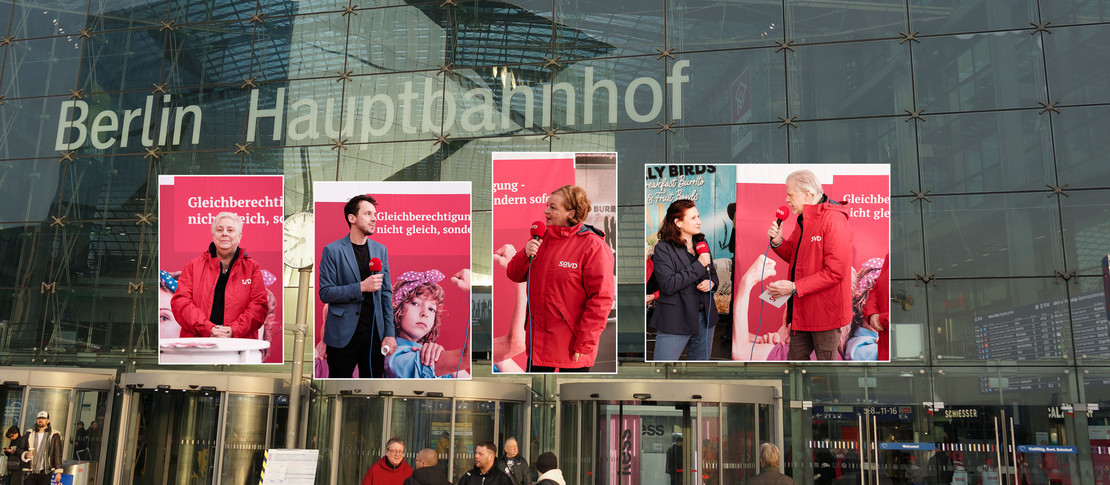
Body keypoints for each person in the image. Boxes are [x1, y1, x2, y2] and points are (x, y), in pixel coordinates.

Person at [505, 185, 615, 372]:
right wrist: (525, 253)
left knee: (570, 397)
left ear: (571, 214)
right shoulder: (541, 239)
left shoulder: (593, 246)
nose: (546, 211)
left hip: (572, 348)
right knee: (536, 396)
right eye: (547, 206)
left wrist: (585, 342)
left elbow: (601, 299)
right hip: (538, 346)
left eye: (553, 207)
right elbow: (514, 274)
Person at [766, 169, 853, 360]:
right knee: (795, 366)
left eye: (790, 194)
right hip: (801, 313)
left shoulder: (834, 220)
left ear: (807, 194)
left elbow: (835, 272)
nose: (787, 200)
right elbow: (795, 257)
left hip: (825, 316)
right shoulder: (804, 219)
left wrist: (795, 287)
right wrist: (778, 242)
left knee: (826, 374)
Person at [319, 194, 395, 379]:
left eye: (375, 214)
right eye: (368, 213)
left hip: (374, 336)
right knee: (339, 387)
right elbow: (325, 292)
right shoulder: (332, 250)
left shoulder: (380, 250)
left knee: (373, 388)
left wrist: (389, 334)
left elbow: (386, 294)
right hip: (343, 335)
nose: (374, 218)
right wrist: (360, 287)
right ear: (352, 218)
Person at [171, 212, 268, 339]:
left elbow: (259, 306)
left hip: (239, 346)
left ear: (239, 236)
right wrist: (208, 329)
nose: (224, 233)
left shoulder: (252, 268)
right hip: (198, 345)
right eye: (219, 229)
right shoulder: (193, 266)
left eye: (230, 230)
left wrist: (233, 330)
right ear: (213, 235)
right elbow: (181, 303)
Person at [649, 199, 719, 361]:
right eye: (693, 218)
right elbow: (668, 285)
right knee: (663, 368)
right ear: (678, 222)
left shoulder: (702, 243)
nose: (699, 222)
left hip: (705, 318)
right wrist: (699, 265)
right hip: (675, 319)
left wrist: (712, 283)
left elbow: (712, 273)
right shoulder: (663, 248)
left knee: (699, 371)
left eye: (698, 217)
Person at [384, 269, 471, 378]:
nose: (424, 313)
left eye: (431, 309)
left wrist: (443, 356)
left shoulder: (430, 352)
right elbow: (468, 357)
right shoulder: (396, 357)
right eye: (415, 303)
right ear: (397, 308)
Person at [21, 411, 62, 485]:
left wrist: (58, 471)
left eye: (43, 418)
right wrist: (25, 454)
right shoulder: (29, 433)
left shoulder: (54, 435)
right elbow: (20, 448)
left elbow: (57, 453)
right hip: (30, 470)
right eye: (39, 418)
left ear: (48, 421)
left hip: (45, 471)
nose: (40, 420)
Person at [863, 254, 890, 361]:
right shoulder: (890, 256)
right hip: (884, 344)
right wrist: (872, 313)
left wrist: (882, 318)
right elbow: (876, 289)